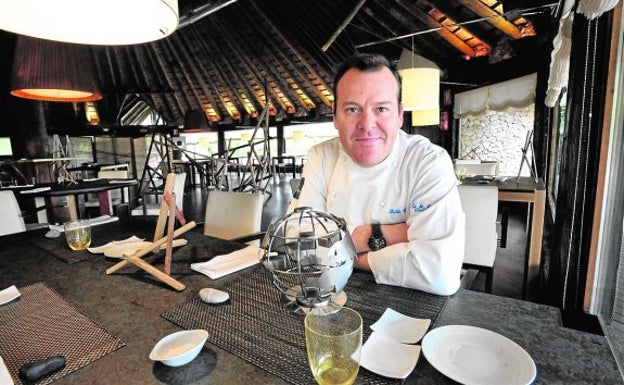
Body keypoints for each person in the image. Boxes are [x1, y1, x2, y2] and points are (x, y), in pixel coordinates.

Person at [290, 53, 465, 296]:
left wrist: (349, 256)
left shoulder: (428, 162)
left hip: (409, 302)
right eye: (352, 109)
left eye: (381, 108)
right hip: (329, 294)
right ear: (335, 115)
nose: (367, 124)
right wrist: (379, 235)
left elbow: (439, 273)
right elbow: (298, 244)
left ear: (400, 114)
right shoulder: (321, 157)